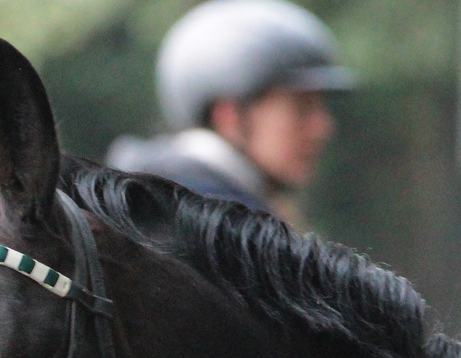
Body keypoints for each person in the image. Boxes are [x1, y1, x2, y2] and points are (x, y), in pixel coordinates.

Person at [106, 0, 353, 221]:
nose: (322, 127)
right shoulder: (205, 226)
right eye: (301, 109)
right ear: (229, 116)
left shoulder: (174, 205)